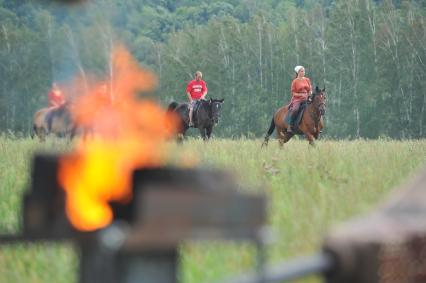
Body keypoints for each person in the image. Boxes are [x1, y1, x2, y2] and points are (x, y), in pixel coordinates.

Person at [287, 65, 312, 133]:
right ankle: (290, 125)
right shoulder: (295, 81)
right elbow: (293, 93)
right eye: (302, 71)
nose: (303, 72)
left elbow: (310, 89)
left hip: (307, 97)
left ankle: (316, 125)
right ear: (298, 72)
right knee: (295, 109)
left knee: (316, 106)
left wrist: (309, 94)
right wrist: (301, 95)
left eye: (304, 71)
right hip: (297, 99)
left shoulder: (307, 79)